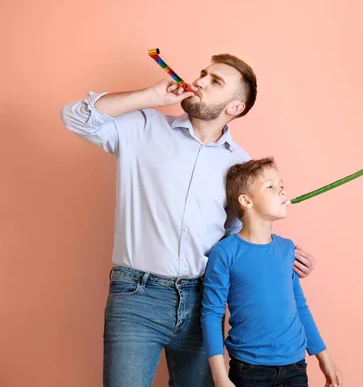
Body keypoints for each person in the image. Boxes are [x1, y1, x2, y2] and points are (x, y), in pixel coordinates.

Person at [60, 54, 317, 387]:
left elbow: (239, 239)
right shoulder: (144, 127)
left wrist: (283, 260)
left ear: (234, 108)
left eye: (215, 82)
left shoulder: (239, 165)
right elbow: (75, 117)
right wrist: (151, 97)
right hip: (136, 296)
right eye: (203, 74)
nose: (199, 82)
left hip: (202, 301)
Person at [201, 157, 343, 387]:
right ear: (246, 200)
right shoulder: (224, 253)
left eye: (282, 185)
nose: (282, 191)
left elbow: (300, 306)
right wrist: (220, 378)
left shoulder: (287, 249)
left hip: (296, 367)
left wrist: (324, 359)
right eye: (271, 186)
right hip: (249, 370)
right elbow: (212, 314)